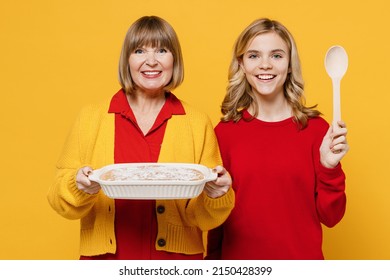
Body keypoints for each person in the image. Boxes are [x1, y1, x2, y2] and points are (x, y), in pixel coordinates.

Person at [47, 15, 235, 260]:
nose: (151, 61)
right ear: (127, 59)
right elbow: (58, 198)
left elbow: (203, 218)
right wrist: (79, 186)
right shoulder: (91, 118)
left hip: (175, 263)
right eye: (139, 50)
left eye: (162, 50)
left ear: (174, 59)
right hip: (107, 262)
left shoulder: (196, 122)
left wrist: (216, 195)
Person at [206, 18, 349, 260]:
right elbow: (217, 217)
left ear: (290, 64)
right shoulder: (225, 132)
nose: (265, 65)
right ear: (241, 64)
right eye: (253, 56)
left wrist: (329, 167)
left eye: (276, 56)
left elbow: (332, 217)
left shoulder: (317, 130)